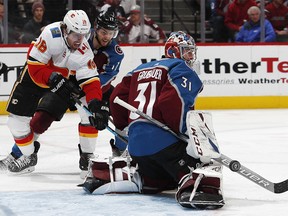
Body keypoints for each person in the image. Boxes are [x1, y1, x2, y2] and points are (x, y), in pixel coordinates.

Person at [81, 31, 224, 210]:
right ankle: (195, 183)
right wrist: (185, 135)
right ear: (173, 51)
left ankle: (142, 178)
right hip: (165, 146)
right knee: (203, 161)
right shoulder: (180, 68)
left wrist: (124, 129)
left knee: (160, 180)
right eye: (186, 51)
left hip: (137, 149)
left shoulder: (138, 70)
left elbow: (115, 98)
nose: (190, 56)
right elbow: (172, 102)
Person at [0, 10, 109, 176]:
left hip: (60, 80)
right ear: (65, 29)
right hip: (35, 78)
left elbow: (91, 80)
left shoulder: (84, 51)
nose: (80, 40)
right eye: (75, 35)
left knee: (88, 107)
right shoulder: (51, 34)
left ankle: (87, 156)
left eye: (83, 35)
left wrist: (96, 103)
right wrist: (51, 78)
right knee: (15, 123)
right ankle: (28, 155)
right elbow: (35, 67)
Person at [85, 10, 126, 160]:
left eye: (111, 33)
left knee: (122, 112)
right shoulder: (81, 38)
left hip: (99, 90)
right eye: (104, 32)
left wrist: (87, 87)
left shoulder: (116, 53)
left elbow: (107, 77)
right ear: (96, 28)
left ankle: (120, 153)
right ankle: (21, 153)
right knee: (45, 113)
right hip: (71, 84)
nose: (107, 37)